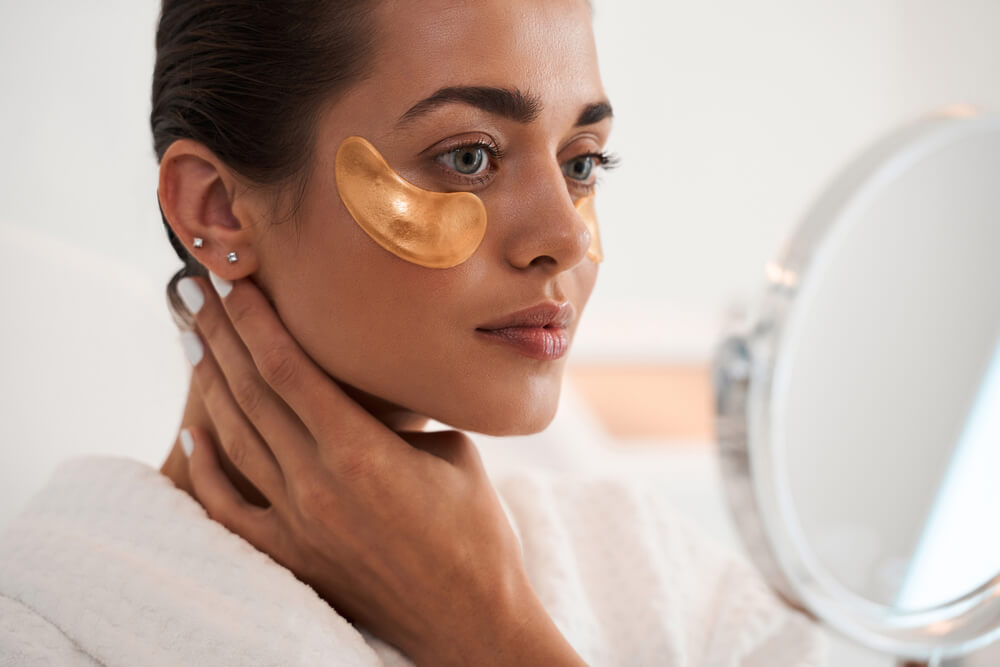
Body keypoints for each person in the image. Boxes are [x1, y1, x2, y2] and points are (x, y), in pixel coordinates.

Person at [0, 0, 826, 664]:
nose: (567, 236)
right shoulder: (41, 627)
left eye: (581, 162)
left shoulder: (653, 571)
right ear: (214, 209)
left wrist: (488, 631)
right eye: (469, 156)